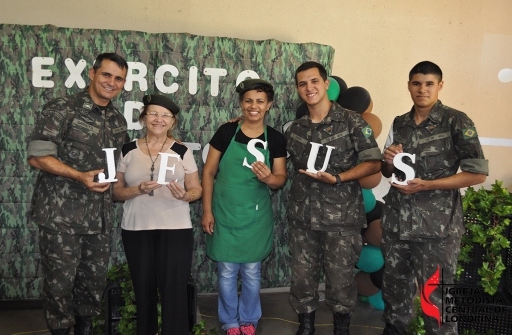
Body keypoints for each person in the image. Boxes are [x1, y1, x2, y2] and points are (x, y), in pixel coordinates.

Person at [380, 61, 488, 335]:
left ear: (440, 85)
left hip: (436, 230)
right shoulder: (399, 123)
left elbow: (477, 174)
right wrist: (389, 160)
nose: (422, 89)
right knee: (394, 295)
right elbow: (386, 171)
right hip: (397, 226)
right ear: (409, 86)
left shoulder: (457, 121)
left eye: (429, 84)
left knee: (436, 302)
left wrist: (428, 185)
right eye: (416, 83)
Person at [27, 53, 129, 335]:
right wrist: (79, 176)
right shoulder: (63, 108)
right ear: (93, 74)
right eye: (106, 75)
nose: (111, 82)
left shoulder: (118, 120)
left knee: (92, 287)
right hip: (61, 218)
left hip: (99, 219)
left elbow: (124, 162)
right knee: (59, 287)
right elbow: (37, 157)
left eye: (118, 78)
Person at [285, 61, 382, 335]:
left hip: (341, 221)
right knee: (302, 279)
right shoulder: (296, 129)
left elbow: (374, 163)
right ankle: (306, 327)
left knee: (341, 282)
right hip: (303, 219)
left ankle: (341, 329)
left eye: (314, 81)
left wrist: (340, 178)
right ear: (298, 89)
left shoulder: (352, 122)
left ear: (326, 84)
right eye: (302, 83)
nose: (309, 88)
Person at [202, 79, 287, 335]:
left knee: (251, 272)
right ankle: (229, 321)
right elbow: (208, 172)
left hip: (256, 217)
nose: (254, 106)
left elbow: (280, 179)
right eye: (248, 100)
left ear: (269, 105)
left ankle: (249, 319)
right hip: (224, 212)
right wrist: (206, 210)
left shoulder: (275, 138)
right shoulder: (226, 132)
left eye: (260, 101)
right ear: (241, 103)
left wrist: (268, 178)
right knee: (226, 272)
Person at [112, 94, 202, 335]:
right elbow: (116, 192)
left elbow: (197, 189)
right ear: (143, 118)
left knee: (174, 291)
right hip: (136, 229)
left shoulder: (182, 150)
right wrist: (137, 189)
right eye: (153, 113)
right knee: (143, 291)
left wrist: (186, 196)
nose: (158, 119)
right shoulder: (128, 150)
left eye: (165, 115)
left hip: (175, 229)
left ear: (172, 122)